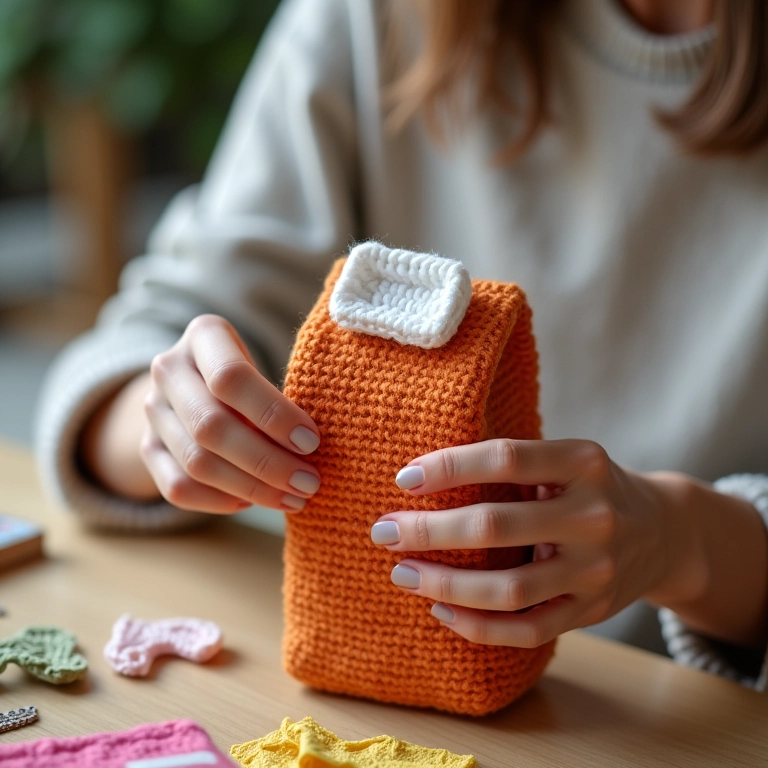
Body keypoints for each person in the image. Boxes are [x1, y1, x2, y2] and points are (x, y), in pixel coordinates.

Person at [35, 0, 768, 689]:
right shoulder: (375, 19)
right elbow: (164, 326)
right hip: (339, 676)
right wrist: (167, 420)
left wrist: (685, 543)